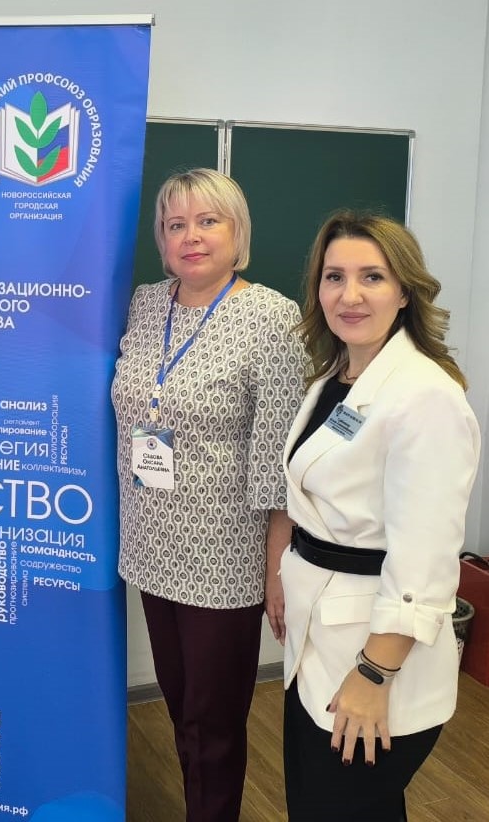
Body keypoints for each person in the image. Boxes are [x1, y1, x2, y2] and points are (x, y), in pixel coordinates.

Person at [111, 168, 305, 821]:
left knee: (212, 722)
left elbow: (277, 459)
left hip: (224, 560)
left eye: (207, 221)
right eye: (176, 225)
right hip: (150, 546)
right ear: (162, 241)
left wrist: (275, 568)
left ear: (236, 233)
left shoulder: (271, 318)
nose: (190, 236)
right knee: (179, 709)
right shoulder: (145, 303)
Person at [281, 211, 479, 821]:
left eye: (372, 276)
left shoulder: (426, 396)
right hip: (320, 642)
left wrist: (373, 675)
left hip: (374, 661)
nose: (350, 295)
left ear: (405, 291)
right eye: (334, 277)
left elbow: (426, 560)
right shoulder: (337, 378)